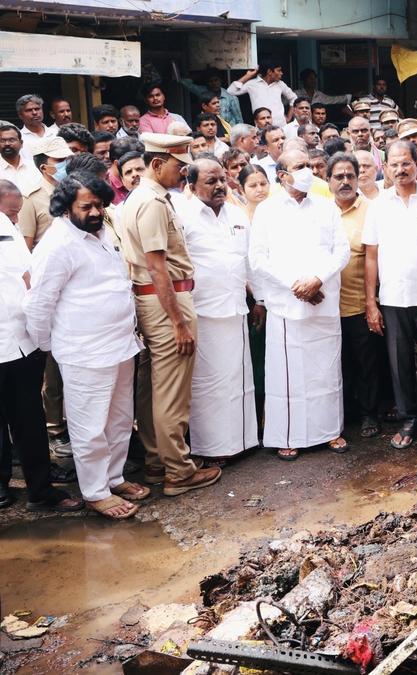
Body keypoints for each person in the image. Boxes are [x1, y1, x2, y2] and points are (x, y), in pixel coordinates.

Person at [24, 173, 146, 518]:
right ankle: (95, 491)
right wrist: (50, 345)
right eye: (86, 206)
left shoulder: (103, 233)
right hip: (84, 351)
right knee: (89, 425)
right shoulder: (58, 243)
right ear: (65, 208)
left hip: (121, 344)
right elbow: (38, 303)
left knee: (120, 420)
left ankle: (114, 476)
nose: (95, 212)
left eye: (99, 204)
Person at [117, 133, 223, 494]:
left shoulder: (149, 198)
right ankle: (178, 470)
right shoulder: (152, 203)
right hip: (166, 303)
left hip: (156, 301)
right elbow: (158, 268)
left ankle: (157, 462)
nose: (184, 174)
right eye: (180, 167)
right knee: (172, 392)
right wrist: (178, 322)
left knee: (155, 390)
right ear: (158, 164)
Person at [249, 149, 350, 460]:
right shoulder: (267, 210)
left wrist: (317, 279)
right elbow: (258, 258)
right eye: (300, 166)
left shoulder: (325, 206)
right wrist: (298, 284)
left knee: (325, 370)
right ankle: (288, 434)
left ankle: (330, 430)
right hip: (286, 303)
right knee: (287, 374)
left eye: (308, 164)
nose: (308, 170)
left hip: (323, 299)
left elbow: (341, 251)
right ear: (282, 175)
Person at [0, 179, 82, 512]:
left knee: (28, 418)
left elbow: (28, 275)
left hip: (20, 339)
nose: (17, 218)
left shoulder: (9, 228)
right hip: (13, 337)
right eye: (13, 211)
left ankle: (40, 487)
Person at [176, 156, 260, 464]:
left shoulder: (237, 215)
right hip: (203, 313)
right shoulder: (183, 216)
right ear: (192, 185)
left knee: (238, 379)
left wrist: (259, 299)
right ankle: (212, 449)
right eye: (211, 182)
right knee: (209, 384)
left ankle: (242, 441)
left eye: (222, 179)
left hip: (236, 308)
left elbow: (249, 263)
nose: (220, 186)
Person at [364, 140, 417, 451]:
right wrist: (371, 302)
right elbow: (371, 256)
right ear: (385, 168)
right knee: (399, 364)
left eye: (406, 163)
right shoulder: (379, 205)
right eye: (394, 164)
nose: (400, 169)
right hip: (393, 297)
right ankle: (409, 418)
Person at [325, 152, 385, 440]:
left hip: (359, 304)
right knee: (338, 364)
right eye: (339, 176)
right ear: (328, 180)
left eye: (350, 175)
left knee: (366, 363)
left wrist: (372, 303)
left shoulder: (372, 210)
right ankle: (343, 414)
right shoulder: (321, 211)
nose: (346, 181)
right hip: (324, 308)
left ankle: (370, 413)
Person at [18, 135, 73, 251]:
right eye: (60, 160)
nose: (66, 164)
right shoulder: (30, 198)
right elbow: (26, 247)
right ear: (44, 168)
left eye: (67, 159)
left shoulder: (77, 189)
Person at [228, 62, 299, 130]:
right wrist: (248, 75)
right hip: (261, 127)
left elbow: (294, 98)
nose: (281, 73)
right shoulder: (252, 84)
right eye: (279, 70)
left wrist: (289, 117)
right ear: (269, 72)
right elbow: (230, 91)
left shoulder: (280, 84)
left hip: (281, 126)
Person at [0, 121, 40, 194]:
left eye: (11, 140)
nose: (7, 144)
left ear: (21, 143)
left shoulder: (34, 166)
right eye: (2, 141)